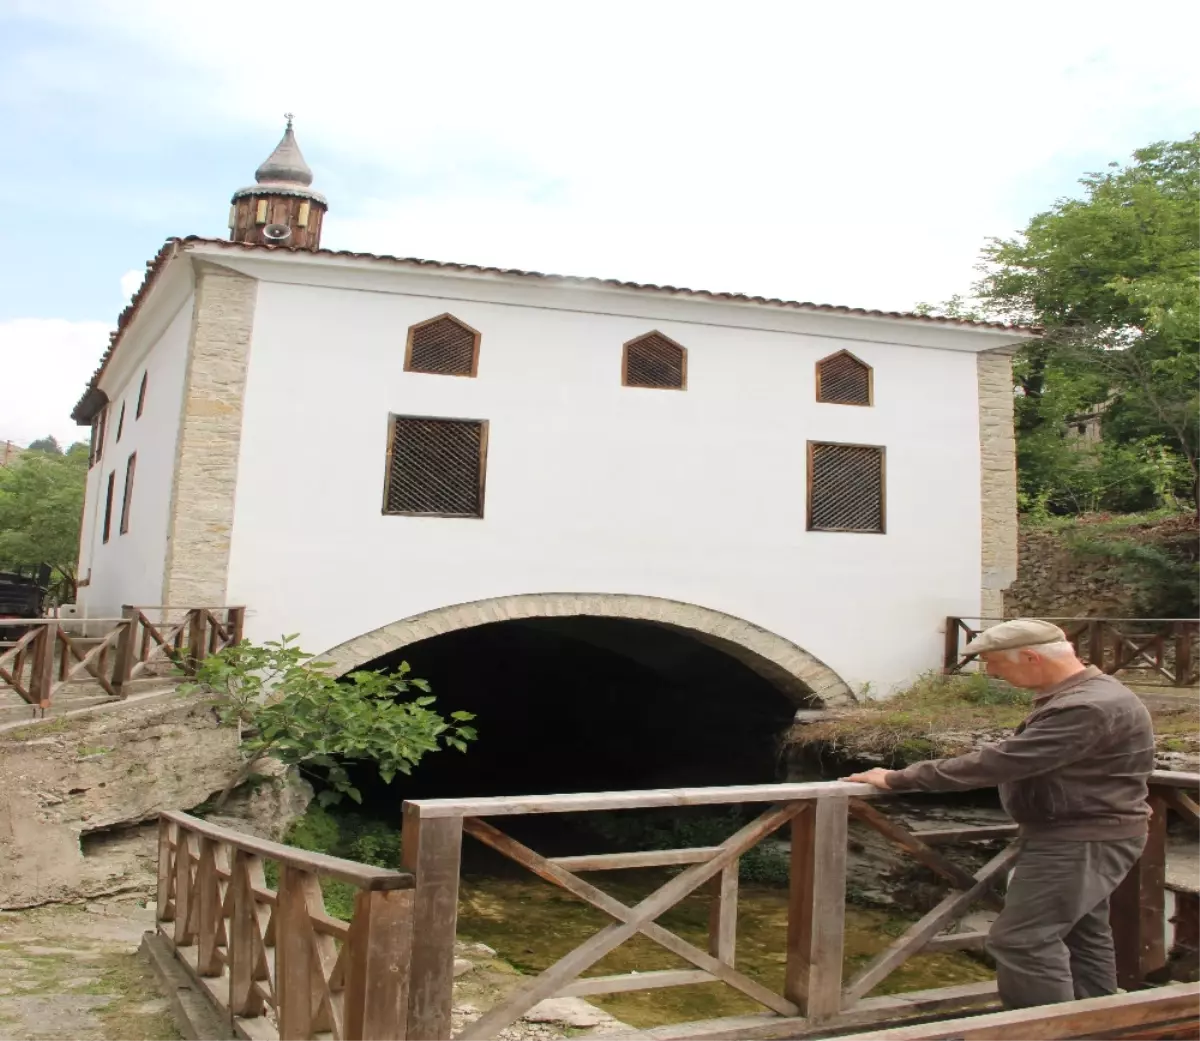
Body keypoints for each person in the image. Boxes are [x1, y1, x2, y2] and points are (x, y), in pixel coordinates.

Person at [845, 618, 1155, 1009]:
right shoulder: (1091, 696)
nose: (991, 672)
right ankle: (1096, 1023)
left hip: (1080, 838)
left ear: (1029, 656)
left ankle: (1048, 1035)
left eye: (993, 662)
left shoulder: (1086, 706)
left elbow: (1001, 763)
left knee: (1022, 940)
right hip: (1087, 834)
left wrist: (898, 778)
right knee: (1079, 934)